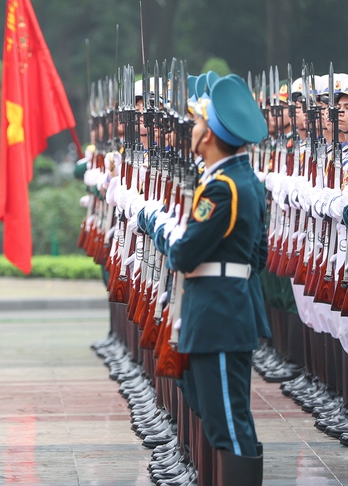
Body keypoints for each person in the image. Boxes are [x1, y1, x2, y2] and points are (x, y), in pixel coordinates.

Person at [136, 75, 269, 485]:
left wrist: (161, 224)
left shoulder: (223, 189)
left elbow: (183, 254)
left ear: (209, 135)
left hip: (219, 317)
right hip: (219, 310)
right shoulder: (239, 181)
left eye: (196, 124)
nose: (190, 130)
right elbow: (257, 257)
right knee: (219, 417)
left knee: (229, 424)